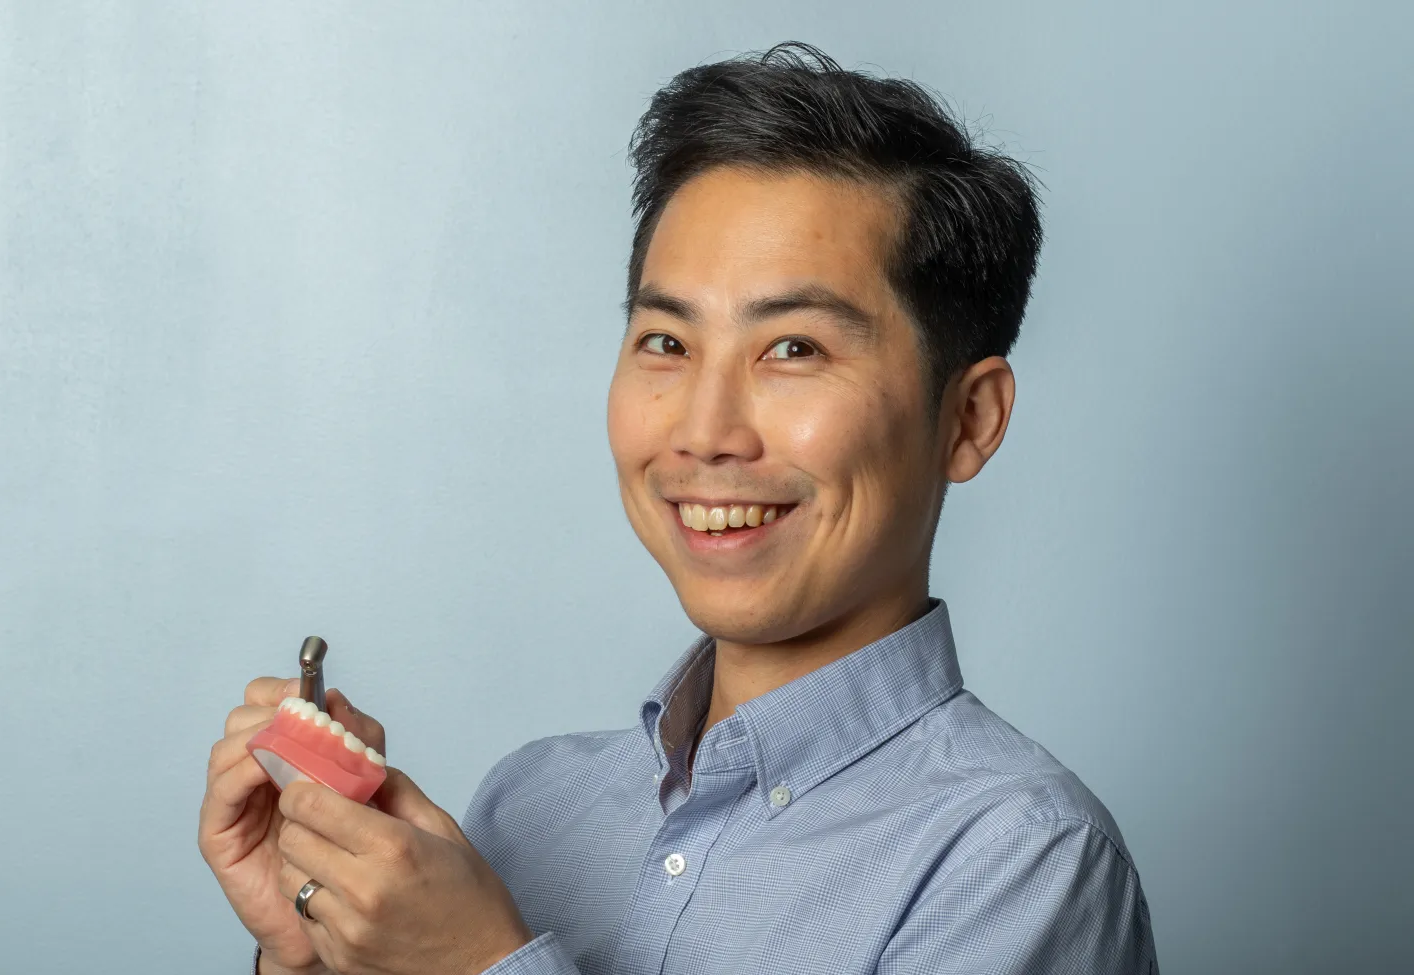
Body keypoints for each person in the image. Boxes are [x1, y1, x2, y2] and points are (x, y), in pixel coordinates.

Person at [199, 41, 1159, 975]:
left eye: (793, 349)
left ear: (970, 419)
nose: (705, 431)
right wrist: (310, 953)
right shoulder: (528, 806)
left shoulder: (1022, 864)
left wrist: (481, 965)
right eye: (666, 341)